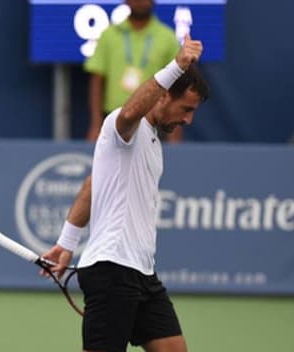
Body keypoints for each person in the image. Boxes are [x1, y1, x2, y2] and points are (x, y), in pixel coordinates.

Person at [42, 34, 209, 352]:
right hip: (112, 271)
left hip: (142, 272)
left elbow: (93, 185)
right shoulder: (121, 127)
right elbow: (131, 112)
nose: (188, 119)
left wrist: (66, 242)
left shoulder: (154, 143)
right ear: (162, 97)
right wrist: (176, 66)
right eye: (185, 109)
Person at [85, 0, 183, 143]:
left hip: (152, 120)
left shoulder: (167, 37)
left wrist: (175, 129)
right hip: (114, 119)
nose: (140, 2)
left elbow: (177, 86)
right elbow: (97, 80)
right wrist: (95, 124)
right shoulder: (109, 35)